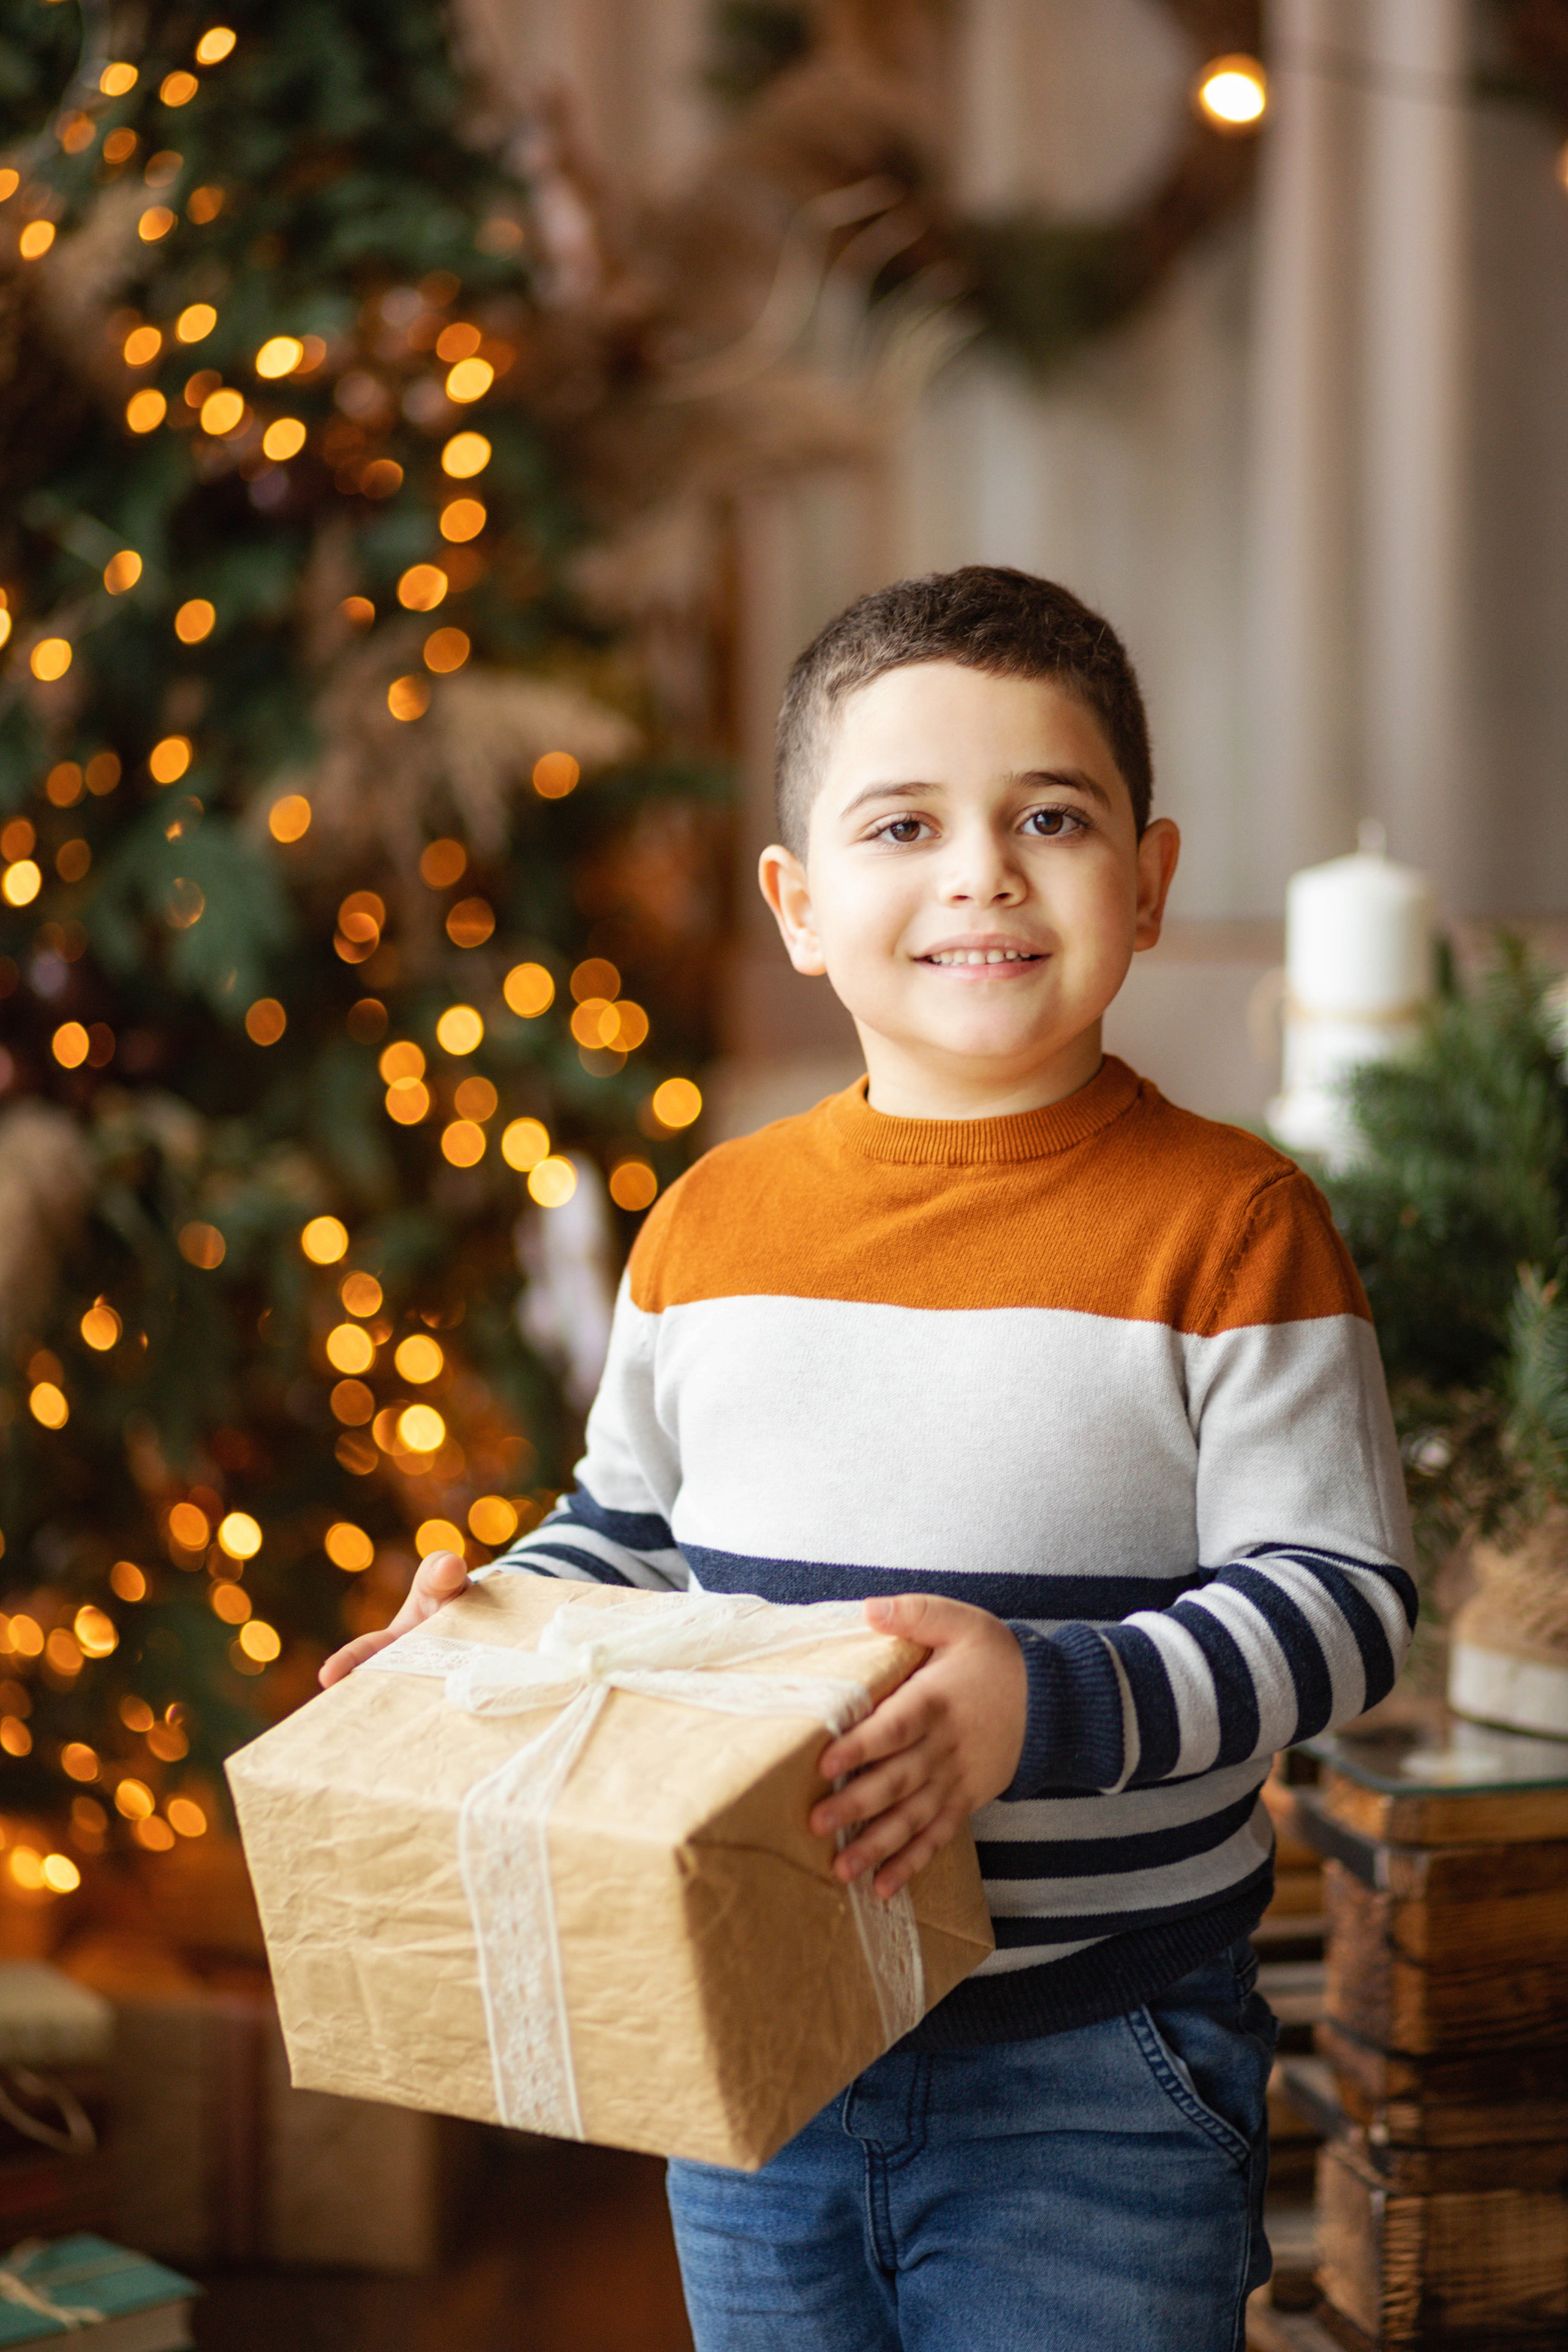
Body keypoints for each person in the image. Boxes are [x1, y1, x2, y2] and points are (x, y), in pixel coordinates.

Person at [322, 567, 1415, 2352]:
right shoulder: (712, 1223)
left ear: (1148, 882)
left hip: (1099, 2065)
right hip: (753, 2034)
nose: (981, 869)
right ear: (801, 904)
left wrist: (1038, 1704)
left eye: (1050, 817)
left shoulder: (1235, 1228)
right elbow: (633, 1537)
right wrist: (490, 1630)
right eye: (904, 823)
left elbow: (1342, 1606)